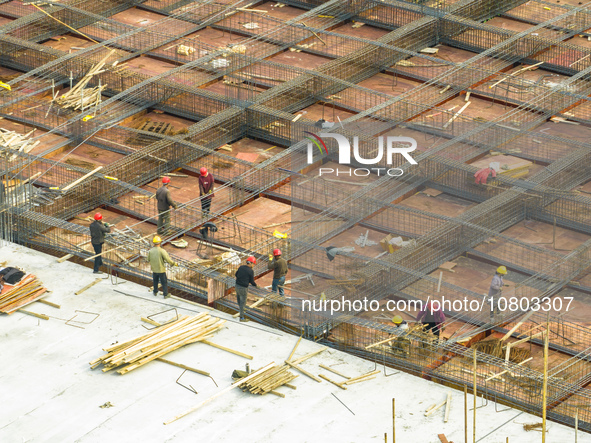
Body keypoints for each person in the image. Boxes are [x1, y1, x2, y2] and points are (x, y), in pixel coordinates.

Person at [235, 256, 257, 322]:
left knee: (239, 300)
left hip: (237, 286)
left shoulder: (241, 267)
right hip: (243, 288)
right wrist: (256, 285)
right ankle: (242, 317)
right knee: (243, 302)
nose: (253, 265)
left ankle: (241, 310)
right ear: (251, 263)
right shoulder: (250, 271)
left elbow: (236, 274)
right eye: (253, 264)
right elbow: (252, 281)